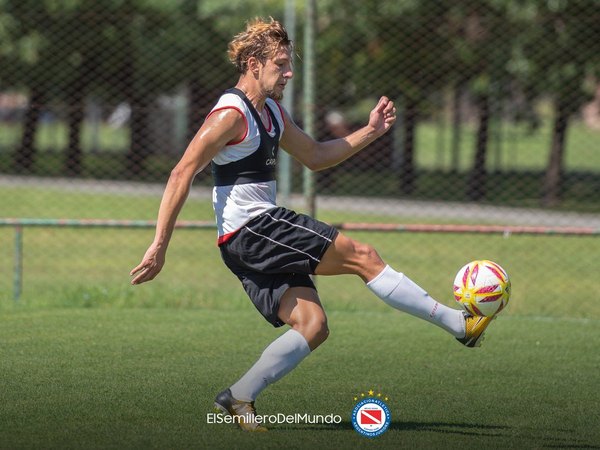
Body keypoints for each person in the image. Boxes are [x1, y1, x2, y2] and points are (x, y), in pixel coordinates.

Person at [130, 17, 495, 432]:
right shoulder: (230, 115)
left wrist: (371, 132)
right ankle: (459, 325)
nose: (287, 73)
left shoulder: (270, 113)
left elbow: (317, 156)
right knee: (363, 256)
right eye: (280, 65)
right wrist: (159, 245)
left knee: (313, 326)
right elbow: (181, 173)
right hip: (254, 229)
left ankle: (239, 396)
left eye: (289, 65)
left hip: (246, 240)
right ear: (253, 63)